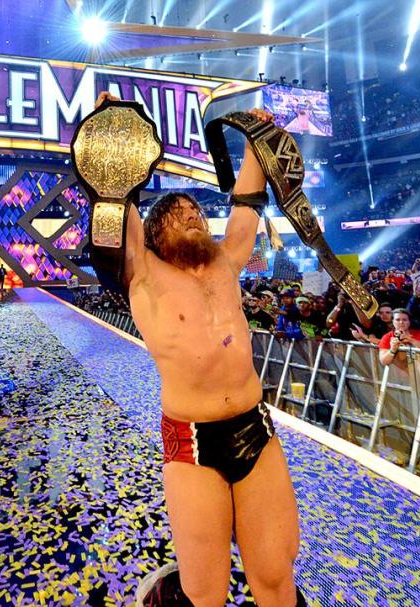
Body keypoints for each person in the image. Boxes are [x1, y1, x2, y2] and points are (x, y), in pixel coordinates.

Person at [90, 93, 303, 607]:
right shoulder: (144, 273)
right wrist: (111, 135)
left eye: (195, 211)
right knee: (204, 594)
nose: (191, 216)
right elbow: (116, 208)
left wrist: (256, 142)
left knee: (275, 576)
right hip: (191, 441)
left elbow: (246, 207)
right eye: (177, 213)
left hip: (255, 427)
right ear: (155, 233)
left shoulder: (226, 262)